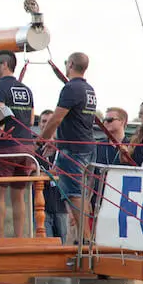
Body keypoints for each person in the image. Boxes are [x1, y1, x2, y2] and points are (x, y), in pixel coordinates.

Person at [37, 52, 97, 242]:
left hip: (73, 150)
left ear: (70, 64)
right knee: (83, 195)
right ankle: (86, 239)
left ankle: (85, 241)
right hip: (87, 146)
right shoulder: (88, 89)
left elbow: (56, 118)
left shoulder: (71, 88)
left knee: (74, 195)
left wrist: (41, 140)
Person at [0, 50, 35, 238]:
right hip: (27, 147)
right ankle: (19, 238)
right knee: (19, 196)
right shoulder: (26, 89)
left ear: (4, 65)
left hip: (7, 146)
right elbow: (31, 120)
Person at [36, 110, 68, 242]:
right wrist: (48, 174)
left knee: (64, 243)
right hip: (40, 207)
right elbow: (30, 173)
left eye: (50, 121)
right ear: (39, 125)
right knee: (46, 243)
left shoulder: (65, 149)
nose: (47, 124)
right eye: (44, 121)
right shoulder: (34, 150)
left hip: (62, 206)